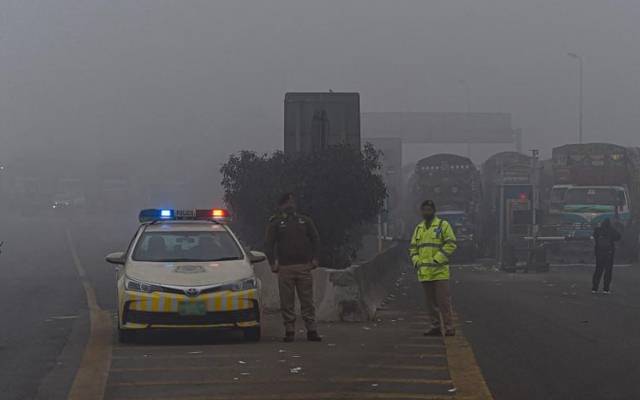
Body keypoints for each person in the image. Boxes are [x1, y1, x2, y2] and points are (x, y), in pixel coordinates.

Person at [265, 193, 322, 342]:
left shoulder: (305, 221)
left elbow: (315, 239)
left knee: (307, 301)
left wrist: (315, 259)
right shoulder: (276, 223)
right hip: (285, 268)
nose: (290, 205)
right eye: (287, 203)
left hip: (304, 266)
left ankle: (311, 330)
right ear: (281, 205)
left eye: (292, 202)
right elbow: (269, 244)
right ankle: (289, 330)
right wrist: (272, 263)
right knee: (287, 302)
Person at [409, 200, 457, 336]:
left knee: (444, 302)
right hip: (425, 272)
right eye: (424, 210)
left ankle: (449, 327)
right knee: (430, 304)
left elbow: (451, 243)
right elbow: (413, 248)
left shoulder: (443, 225)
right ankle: (435, 326)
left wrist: (438, 259)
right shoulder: (419, 228)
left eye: (429, 210)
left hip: (440, 272)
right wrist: (416, 261)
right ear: (421, 212)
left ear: (434, 211)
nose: (426, 212)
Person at [592, 218, 621, 294]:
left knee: (598, 270)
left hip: (599, 253)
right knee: (608, 271)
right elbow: (618, 237)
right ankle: (606, 289)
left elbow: (595, 237)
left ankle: (594, 288)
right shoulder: (612, 230)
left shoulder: (597, 230)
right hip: (609, 253)